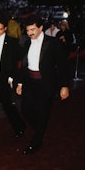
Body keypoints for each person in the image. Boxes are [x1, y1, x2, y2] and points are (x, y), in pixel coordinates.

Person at [16, 14, 70, 155]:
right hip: (30, 82)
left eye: (33, 29)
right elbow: (24, 65)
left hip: (46, 83)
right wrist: (20, 83)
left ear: (41, 27)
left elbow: (62, 65)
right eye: (27, 30)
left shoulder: (53, 43)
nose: (30, 33)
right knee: (26, 110)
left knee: (43, 112)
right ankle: (40, 129)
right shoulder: (27, 43)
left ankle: (36, 141)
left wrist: (64, 85)